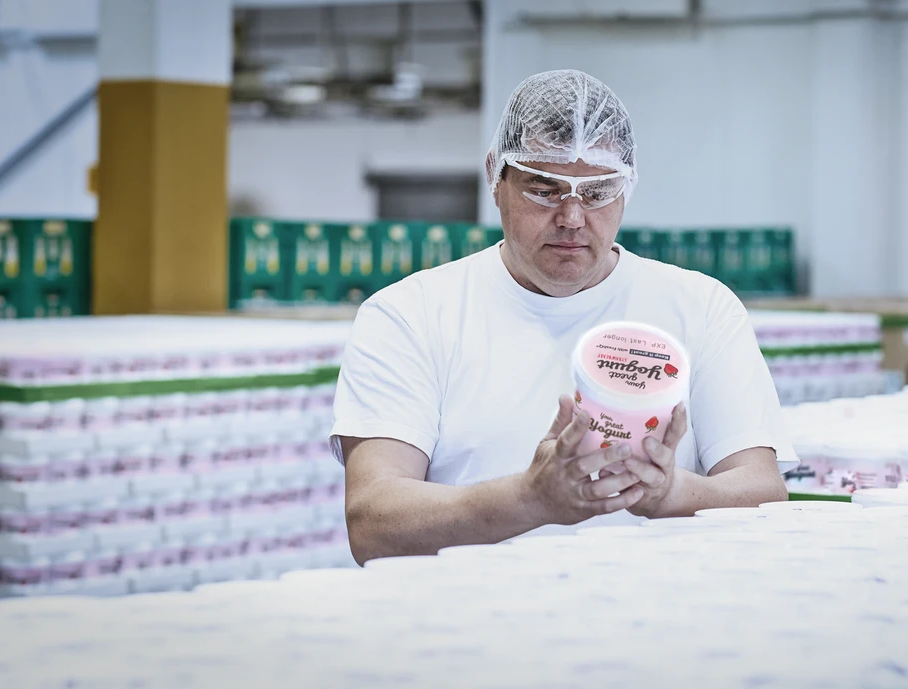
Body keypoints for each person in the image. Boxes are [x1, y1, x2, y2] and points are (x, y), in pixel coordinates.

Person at [332, 69, 795, 564]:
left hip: (657, 624)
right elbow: (373, 521)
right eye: (544, 188)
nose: (572, 218)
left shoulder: (700, 308)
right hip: (466, 626)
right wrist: (531, 500)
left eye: (597, 193)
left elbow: (763, 493)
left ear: (627, 187)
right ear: (496, 176)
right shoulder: (410, 315)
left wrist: (669, 494)